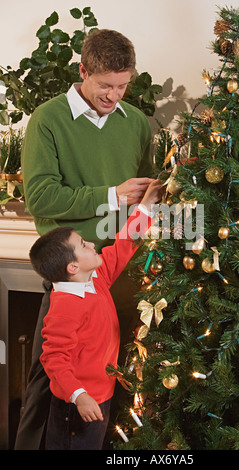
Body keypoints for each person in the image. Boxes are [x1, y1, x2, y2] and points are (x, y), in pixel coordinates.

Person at [15, 29, 155, 450]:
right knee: (52, 377)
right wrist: (112, 194)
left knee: (124, 377)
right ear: (82, 71)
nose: (114, 96)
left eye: (123, 85)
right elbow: (38, 196)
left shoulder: (136, 124)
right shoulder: (48, 119)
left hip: (125, 269)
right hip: (74, 273)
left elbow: (145, 197)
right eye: (105, 86)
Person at [28, 180, 162, 450]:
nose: (91, 242)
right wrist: (80, 396)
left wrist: (147, 206)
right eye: (83, 244)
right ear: (73, 266)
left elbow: (124, 244)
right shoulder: (65, 307)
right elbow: (53, 358)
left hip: (102, 395)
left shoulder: (94, 279)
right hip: (77, 409)